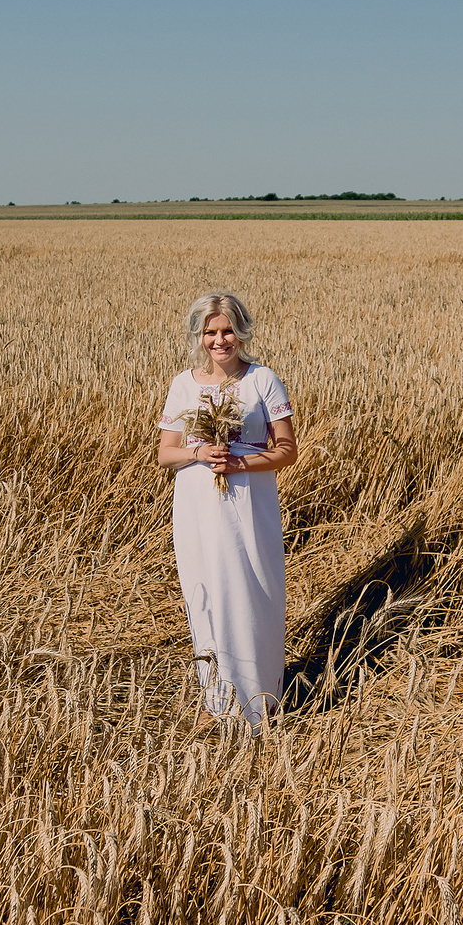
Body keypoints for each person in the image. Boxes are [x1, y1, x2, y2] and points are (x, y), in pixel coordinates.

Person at [156, 292, 298, 724]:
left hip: (249, 503)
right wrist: (199, 454)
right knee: (205, 594)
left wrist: (240, 463)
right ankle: (218, 701)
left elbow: (287, 450)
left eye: (228, 330)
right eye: (210, 332)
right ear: (199, 336)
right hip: (196, 504)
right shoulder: (183, 384)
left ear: (242, 332)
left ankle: (261, 700)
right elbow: (165, 453)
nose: (220, 340)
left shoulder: (262, 380)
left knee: (254, 592)